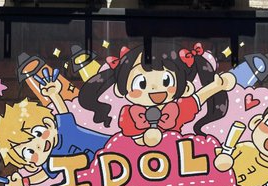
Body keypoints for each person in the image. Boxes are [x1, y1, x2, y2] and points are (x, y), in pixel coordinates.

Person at [78, 44, 235, 146]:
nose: (155, 90)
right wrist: (145, 139)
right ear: (120, 89)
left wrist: (217, 86)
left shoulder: (177, 109)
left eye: (167, 81)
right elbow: (131, 141)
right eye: (141, 83)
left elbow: (198, 98)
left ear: (185, 87)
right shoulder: (130, 114)